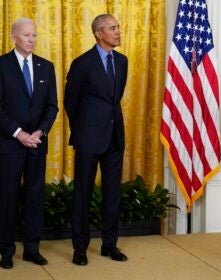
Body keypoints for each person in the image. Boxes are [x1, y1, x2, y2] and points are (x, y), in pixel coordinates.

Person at [64, 14, 128, 266]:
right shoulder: (82, 63)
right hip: (88, 138)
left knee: (112, 195)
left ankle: (109, 245)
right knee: (83, 193)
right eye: (113, 28)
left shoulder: (122, 61)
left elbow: (114, 99)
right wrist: (83, 130)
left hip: (114, 138)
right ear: (99, 33)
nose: (118, 31)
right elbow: (71, 102)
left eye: (118, 27)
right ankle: (79, 248)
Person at [0, 18, 58, 269]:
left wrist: (39, 132)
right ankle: (6, 250)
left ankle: (32, 249)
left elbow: (52, 106)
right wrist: (18, 133)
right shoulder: (1, 65)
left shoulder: (46, 66)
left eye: (34, 35)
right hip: (9, 145)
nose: (31, 39)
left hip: (37, 144)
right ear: (14, 37)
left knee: (35, 197)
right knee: (7, 198)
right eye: (26, 35)